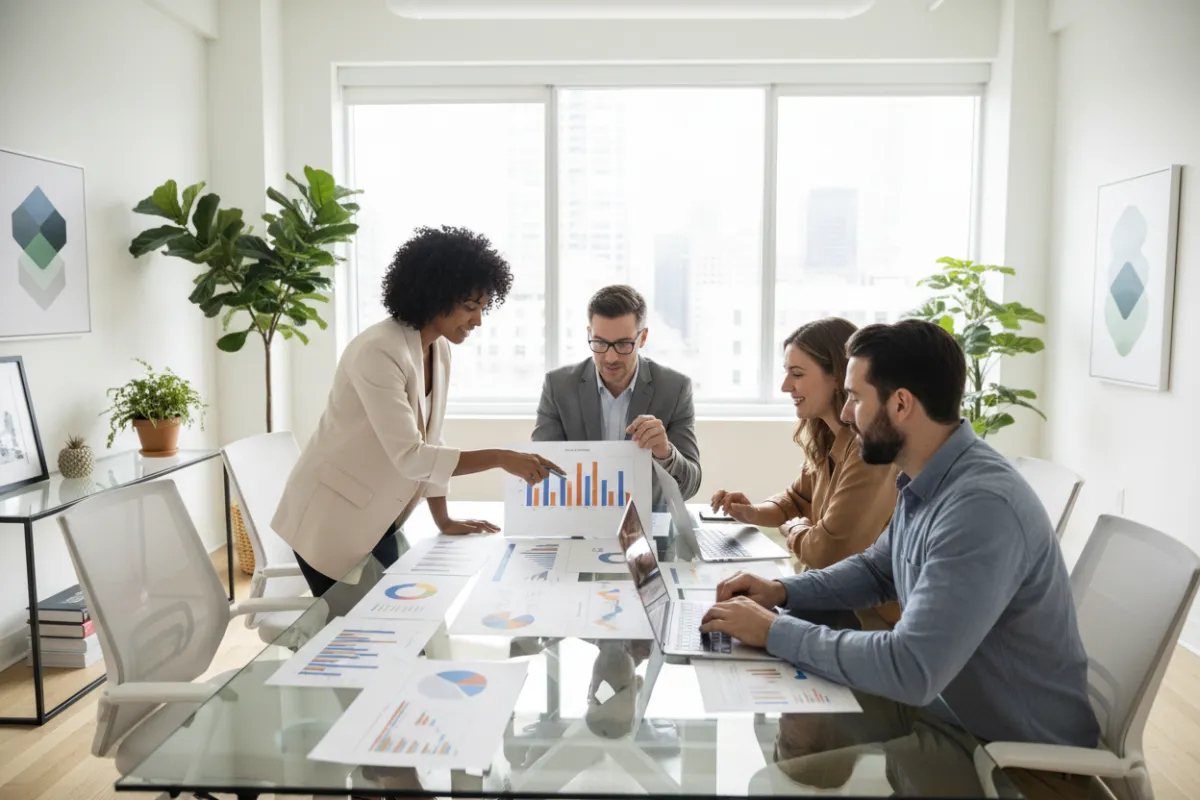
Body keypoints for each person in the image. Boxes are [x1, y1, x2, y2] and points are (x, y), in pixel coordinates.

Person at [700, 319, 1098, 797]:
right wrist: (781, 591)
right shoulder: (927, 478)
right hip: (946, 706)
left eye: (855, 398)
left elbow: (911, 667)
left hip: (1003, 750)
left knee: (787, 768)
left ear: (902, 404)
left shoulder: (979, 507)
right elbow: (875, 568)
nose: (845, 415)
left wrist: (773, 628)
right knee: (795, 730)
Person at [273, 226, 563, 597]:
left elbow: (431, 438)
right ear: (435, 296)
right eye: (470, 307)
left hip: (380, 518)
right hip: (333, 519)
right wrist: (501, 458)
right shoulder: (378, 350)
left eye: (483, 308)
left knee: (404, 625)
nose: (478, 321)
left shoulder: (437, 349)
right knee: (357, 636)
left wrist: (444, 519)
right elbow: (412, 457)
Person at [709, 318, 899, 629]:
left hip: (867, 617)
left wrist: (795, 530)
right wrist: (752, 511)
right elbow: (796, 500)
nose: (785, 386)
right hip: (830, 597)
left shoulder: (869, 451)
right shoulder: (828, 437)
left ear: (838, 377)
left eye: (796, 374)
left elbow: (829, 552)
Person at [532, 284, 701, 500]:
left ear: (643, 337)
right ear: (588, 334)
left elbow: (690, 486)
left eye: (623, 344)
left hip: (649, 524)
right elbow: (538, 470)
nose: (611, 358)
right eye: (600, 343)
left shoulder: (675, 389)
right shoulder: (558, 386)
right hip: (578, 521)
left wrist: (666, 453)